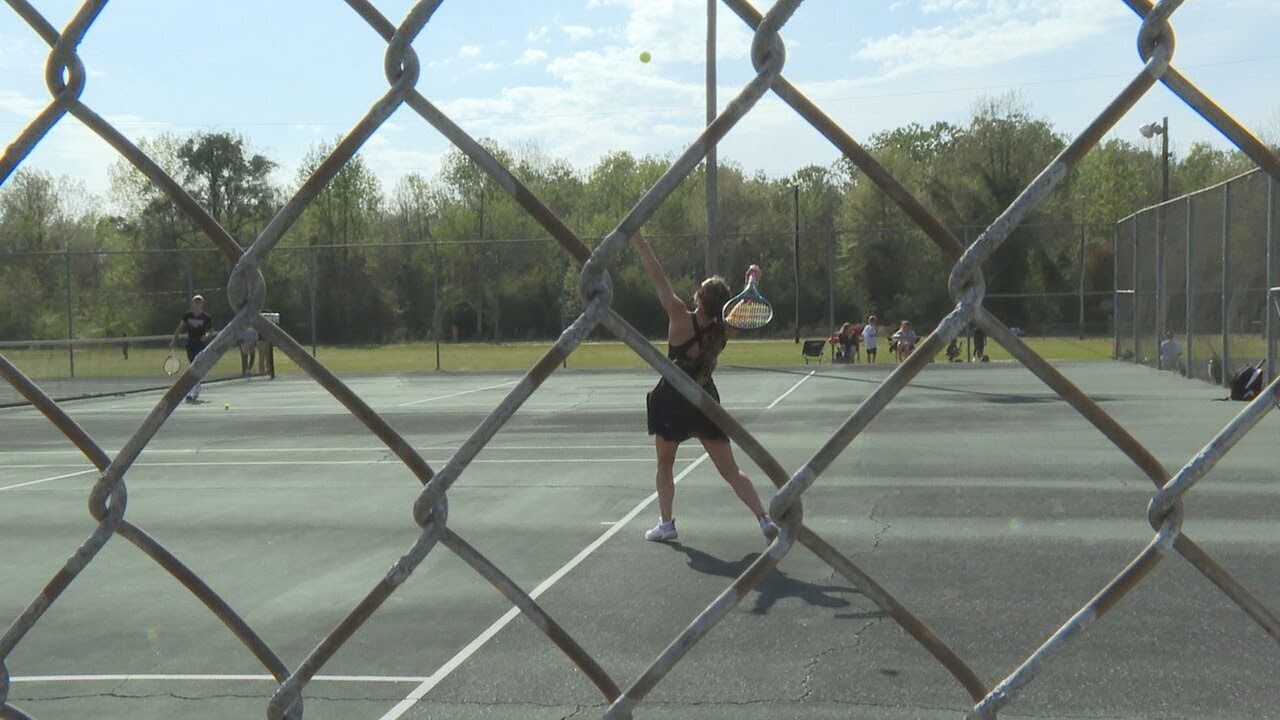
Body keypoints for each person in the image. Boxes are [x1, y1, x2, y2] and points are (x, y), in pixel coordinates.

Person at [633, 232, 780, 543]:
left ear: (698, 298)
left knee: (664, 464)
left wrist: (641, 241)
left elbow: (657, 275)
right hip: (705, 402)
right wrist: (753, 279)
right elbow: (745, 305)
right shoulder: (724, 330)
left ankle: (667, 523)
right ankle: (764, 518)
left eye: (699, 289)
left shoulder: (677, 314)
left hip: (672, 400)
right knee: (731, 471)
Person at [170, 294, 214, 402]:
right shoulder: (187, 315)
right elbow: (180, 328)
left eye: (199, 302)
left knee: (196, 366)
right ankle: (195, 388)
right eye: (195, 302)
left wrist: (207, 337)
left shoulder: (206, 317)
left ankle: (194, 390)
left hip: (201, 346)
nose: (197, 304)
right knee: (192, 366)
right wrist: (174, 340)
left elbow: (211, 331)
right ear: (192, 303)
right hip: (190, 345)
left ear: (202, 304)